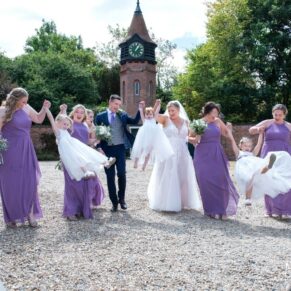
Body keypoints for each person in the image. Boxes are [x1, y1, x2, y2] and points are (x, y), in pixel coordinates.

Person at [0, 87, 51, 228]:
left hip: (26, 149)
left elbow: (39, 119)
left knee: (29, 181)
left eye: (26, 102)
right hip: (9, 151)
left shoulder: (26, 108)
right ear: (15, 99)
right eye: (23, 101)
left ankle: (30, 214)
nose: (24, 104)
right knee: (9, 184)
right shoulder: (3, 111)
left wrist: (44, 108)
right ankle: (11, 217)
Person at [147, 100, 202, 212]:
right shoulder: (165, 119)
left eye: (173, 110)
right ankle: (166, 202)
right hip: (168, 152)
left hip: (182, 152)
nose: (171, 112)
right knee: (167, 175)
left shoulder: (186, 122)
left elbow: (189, 138)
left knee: (182, 176)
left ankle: (181, 201)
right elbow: (153, 117)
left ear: (178, 110)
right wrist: (157, 105)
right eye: (169, 110)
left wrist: (197, 139)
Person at [191, 101, 239, 220]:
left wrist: (229, 129)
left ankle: (222, 210)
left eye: (217, 113)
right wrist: (196, 138)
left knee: (220, 180)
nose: (215, 115)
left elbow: (226, 133)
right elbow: (189, 137)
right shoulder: (198, 123)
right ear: (207, 112)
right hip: (202, 154)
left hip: (217, 153)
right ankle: (210, 210)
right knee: (205, 182)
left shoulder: (217, 121)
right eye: (213, 112)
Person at [95, 94, 141, 212]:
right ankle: (114, 202)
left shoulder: (122, 115)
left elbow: (134, 120)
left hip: (120, 149)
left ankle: (122, 200)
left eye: (119, 105)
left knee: (121, 174)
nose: (117, 106)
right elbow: (97, 133)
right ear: (110, 103)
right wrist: (99, 148)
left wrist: (140, 109)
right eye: (116, 104)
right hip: (107, 150)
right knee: (110, 177)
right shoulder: (100, 116)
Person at [60, 104, 106, 220]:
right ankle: (71, 211)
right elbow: (61, 125)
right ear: (73, 113)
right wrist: (63, 111)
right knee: (72, 185)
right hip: (71, 158)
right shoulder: (69, 124)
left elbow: (86, 142)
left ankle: (80, 208)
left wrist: (98, 138)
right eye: (77, 112)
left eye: (81, 112)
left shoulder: (85, 126)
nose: (79, 114)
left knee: (85, 184)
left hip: (83, 158)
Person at [45, 108, 115, 181]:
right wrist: (47, 110)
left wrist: (64, 111)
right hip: (68, 150)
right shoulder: (58, 132)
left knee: (88, 152)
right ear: (58, 123)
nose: (65, 126)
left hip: (74, 145)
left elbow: (65, 117)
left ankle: (105, 162)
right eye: (64, 124)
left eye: (67, 124)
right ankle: (86, 171)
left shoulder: (66, 130)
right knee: (79, 159)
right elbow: (52, 119)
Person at [228, 128, 291, 206]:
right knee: (250, 177)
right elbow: (232, 141)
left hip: (254, 166)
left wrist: (261, 134)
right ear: (240, 146)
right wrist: (229, 131)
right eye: (245, 146)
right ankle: (248, 198)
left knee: (257, 173)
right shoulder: (239, 153)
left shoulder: (252, 154)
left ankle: (268, 166)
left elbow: (259, 144)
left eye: (249, 146)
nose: (247, 148)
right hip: (244, 168)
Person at [249, 104, 291, 218]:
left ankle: (284, 210)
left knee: (284, 180)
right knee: (269, 179)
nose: (277, 116)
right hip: (269, 154)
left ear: (284, 115)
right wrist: (258, 129)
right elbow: (251, 130)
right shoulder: (267, 122)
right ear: (272, 113)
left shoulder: (288, 126)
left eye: (280, 115)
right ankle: (271, 210)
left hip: (284, 155)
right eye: (275, 114)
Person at [131, 100, 174, 170]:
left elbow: (157, 110)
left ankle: (144, 166)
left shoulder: (154, 119)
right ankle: (136, 162)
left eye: (150, 114)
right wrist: (141, 107)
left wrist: (158, 104)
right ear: (145, 115)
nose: (149, 116)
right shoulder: (144, 120)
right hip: (144, 137)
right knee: (140, 149)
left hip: (152, 138)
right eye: (147, 115)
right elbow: (141, 111)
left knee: (149, 153)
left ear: (153, 115)